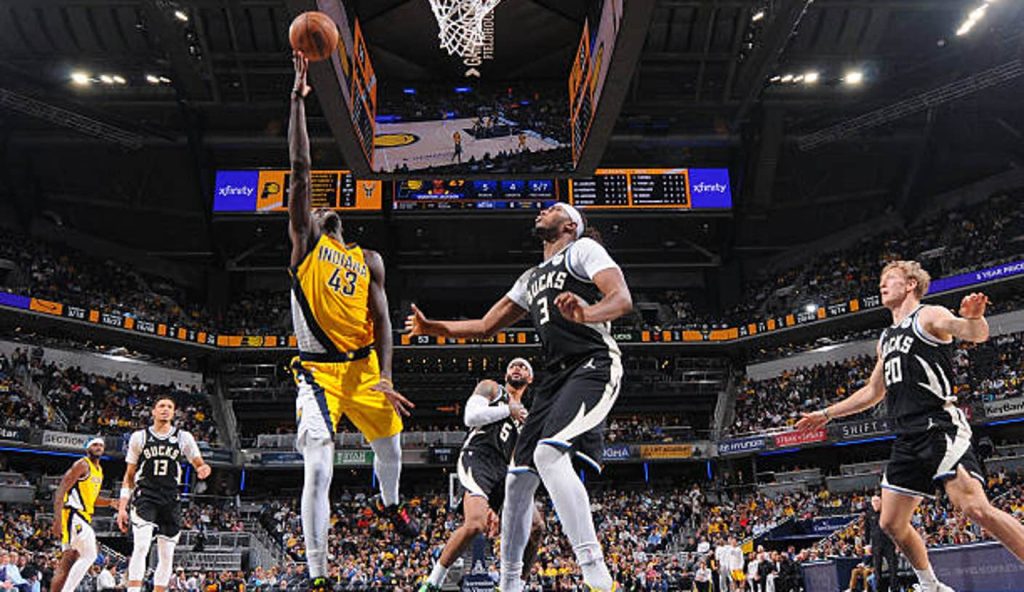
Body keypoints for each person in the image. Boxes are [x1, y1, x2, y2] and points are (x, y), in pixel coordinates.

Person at [407, 203, 633, 592]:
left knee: (547, 455)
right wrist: (433, 327)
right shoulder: (530, 277)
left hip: (593, 364)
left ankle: (597, 573)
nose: (542, 211)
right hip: (556, 376)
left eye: (552, 209)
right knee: (517, 481)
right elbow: (484, 325)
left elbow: (622, 299)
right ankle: (509, 584)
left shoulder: (582, 251)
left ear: (569, 224)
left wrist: (588, 313)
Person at [796, 260, 1024, 592]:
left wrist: (974, 317)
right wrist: (827, 413)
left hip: (939, 425)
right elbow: (874, 392)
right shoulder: (886, 338)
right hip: (907, 435)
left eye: (889, 280)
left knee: (974, 507)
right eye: (881, 282)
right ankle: (931, 585)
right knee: (890, 521)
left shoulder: (928, 314)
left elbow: (975, 333)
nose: (881, 286)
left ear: (911, 284)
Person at [288, 51, 416, 592]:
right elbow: (300, 169)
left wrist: (386, 375)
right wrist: (298, 100)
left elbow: (384, 322)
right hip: (317, 373)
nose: (321, 210)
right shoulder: (303, 246)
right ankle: (319, 574)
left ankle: (390, 506)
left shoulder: (369, 261)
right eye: (314, 209)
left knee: (391, 448)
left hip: (365, 369)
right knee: (319, 466)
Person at [419, 359, 544, 591]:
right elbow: (470, 417)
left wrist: (498, 506)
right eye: (513, 365)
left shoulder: (528, 417)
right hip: (478, 457)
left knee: (537, 526)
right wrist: (509, 409)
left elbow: (520, 457)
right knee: (475, 524)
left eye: (524, 366)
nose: (517, 368)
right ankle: (432, 583)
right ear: (506, 373)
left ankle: (518, 585)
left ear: (530, 379)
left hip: (505, 471)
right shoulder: (492, 389)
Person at [117, 396, 212, 592]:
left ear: (174, 412)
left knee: (167, 553)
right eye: (161, 406)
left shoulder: (183, 437)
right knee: (142, 546)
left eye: (169, 406)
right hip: (146, 495)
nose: (165, 409)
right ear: (153, 411)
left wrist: (203, 469)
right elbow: (129, 476)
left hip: (171, 497)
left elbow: (198, 462)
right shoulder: (140, 437)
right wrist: (122, 507)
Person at [50, 437, 115, 592]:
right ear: (88, 448)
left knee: (66, 563)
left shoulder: (99, 471)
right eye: (95, 445)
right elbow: (61, 490)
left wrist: (111, 502)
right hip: (73, 515)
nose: (98, 447)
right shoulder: (82, 464)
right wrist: (57, 519)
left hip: (82, 516)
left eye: (101, 445)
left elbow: (92, 499)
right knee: (90, 554)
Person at [864, 494, 898, 592]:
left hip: (889, 543)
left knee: (893, 567)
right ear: (871, 503)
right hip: (876, 545)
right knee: (877, 569)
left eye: (877, 501)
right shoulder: (869, 514)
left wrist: (897, 544)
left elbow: (894, 528)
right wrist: (867, 545)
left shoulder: (887, 512)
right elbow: (867, 530)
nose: (875, 503)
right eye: (873, 501)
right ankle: (878, 589)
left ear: (882, 502)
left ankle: (894, 589)